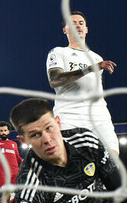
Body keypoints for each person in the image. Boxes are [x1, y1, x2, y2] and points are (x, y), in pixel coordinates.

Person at [46, 11, 120, 155]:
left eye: (81, 23)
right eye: (73, 23)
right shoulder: (58, 52)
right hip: (69, 114)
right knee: (72, 160)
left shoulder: (97, 57)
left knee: (112, 158)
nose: (78, 26)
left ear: (86, 29)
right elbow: (55, 80)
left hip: (99, 114)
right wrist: (89, 68)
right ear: (65, 30)